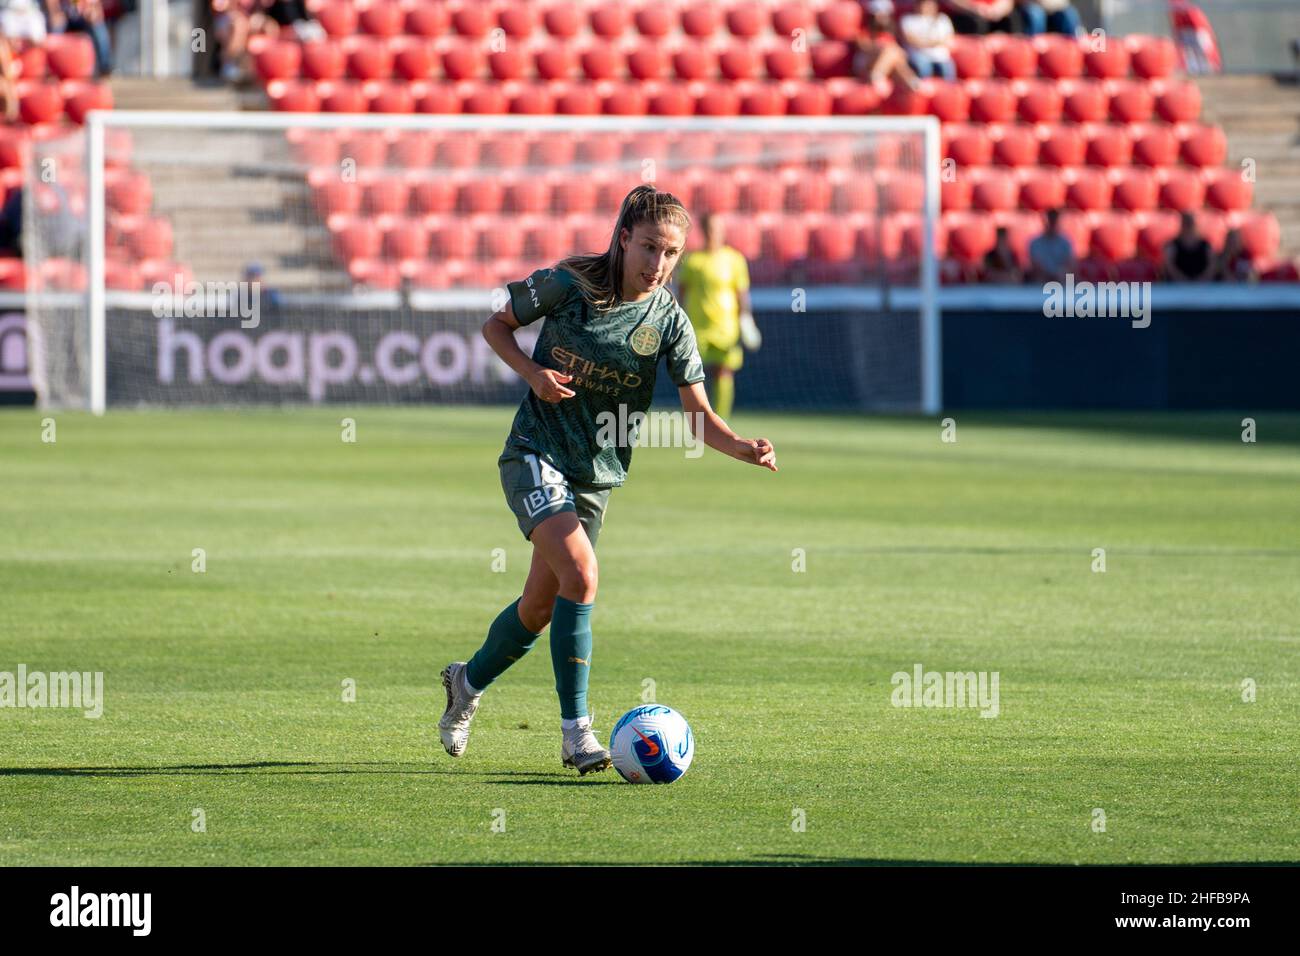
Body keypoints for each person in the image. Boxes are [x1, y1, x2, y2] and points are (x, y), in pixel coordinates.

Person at [437, 186, 778, 775]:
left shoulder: (669, 319)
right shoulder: (570, 283)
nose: (658, 265)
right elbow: (497, 327)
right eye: (649, 248)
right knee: (583, 574)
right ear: (623, 238)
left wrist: (742, 448)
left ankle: (466, 682)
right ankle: (576, 735)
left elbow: (698, 415)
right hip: (534, 451)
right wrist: (534, 373)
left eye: (671, 254)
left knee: (541, 606)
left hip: (594, 475)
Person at [674, 213, 759, 420]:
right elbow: (682, 294)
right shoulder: (693, 260)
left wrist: (746, 320)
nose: (715, 233)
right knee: (692, 374)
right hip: (698, 327)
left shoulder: (734, 259)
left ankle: (721, 420)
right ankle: (697, 418)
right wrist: (678, 322)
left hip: (725, 327)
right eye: (711, 228)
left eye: (719, 228)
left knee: (724, 371)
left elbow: (741, 294)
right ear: (704, 231)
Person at [852, 0, 922, 93]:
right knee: (892, 52)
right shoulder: (865, 31)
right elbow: (864, 48)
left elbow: (899, 53)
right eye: (879, 14)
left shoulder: (888, 33)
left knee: (895, 58)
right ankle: (878, 76)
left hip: (888, 64)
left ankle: (910, 83)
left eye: (885, 14)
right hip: (865, 64)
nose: (882, 17)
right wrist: (881, 48)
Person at [900, 0, 957, 80]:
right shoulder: (908, 20)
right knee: (924, 68)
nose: (926, 7)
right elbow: (911, 40)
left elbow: (948, 39)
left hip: (941, 57)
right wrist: (934, 43)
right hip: (918, 56)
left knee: (948, 71)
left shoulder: (943, 19)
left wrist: (925, 43)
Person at [1027, 209, 1075, 283]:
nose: (1052, 224)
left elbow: (1069, 263)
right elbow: (1035, 264)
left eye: (1054, 221)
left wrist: (1059, 274)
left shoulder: (1065, 243)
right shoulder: (1035, 243)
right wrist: (1048, 275)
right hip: (1040, 281)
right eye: (1050, 221)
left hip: (1060, 281)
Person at [1164, 211, 1213, 281]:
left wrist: (1202, 280)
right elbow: (1169, 266)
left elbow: (1212, 265)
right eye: (1187, 224)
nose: (1189, 227)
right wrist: (1182, 280)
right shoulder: (1172, 246)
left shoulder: (1205, 245)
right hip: (1177, 286)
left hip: (1202, 287)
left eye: (1191, 224)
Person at [943, 0, 1020, 35]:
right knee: (978, 23)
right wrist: (973, 8)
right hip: (966, 13)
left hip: (992, 13)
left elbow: (1007, 2)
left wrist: (997, 10)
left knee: (1012, 19)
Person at [1018, 0, 1083, 37]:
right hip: (1031, 6)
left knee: (1070, 14)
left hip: (1054, 8)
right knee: (1036, 14)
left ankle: (1072, 51)